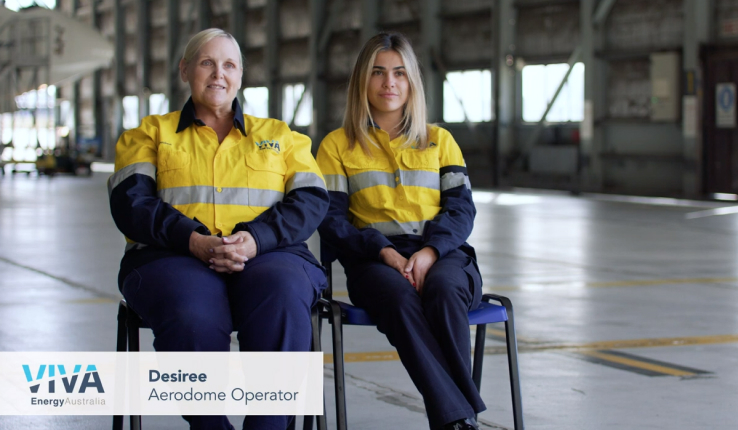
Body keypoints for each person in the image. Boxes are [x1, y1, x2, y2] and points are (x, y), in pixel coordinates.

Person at [108, 28, 328, 430]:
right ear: (185, 69)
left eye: (229, 65)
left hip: (269, 255)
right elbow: (131, 203)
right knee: (190, 313)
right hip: (171, 256)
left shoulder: (280, 136)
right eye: (207, 63)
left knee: (282, 296)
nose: (218, 74)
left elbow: (312, 201)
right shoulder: (149, 134)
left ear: (241, 75)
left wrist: (256, 240)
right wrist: (191, 240)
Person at [316, 32, 484, 430]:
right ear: (362, 80)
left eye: (399, 73)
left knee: (442, 290)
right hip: (373, 260)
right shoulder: (337, 146)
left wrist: (430, 252)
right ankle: (462, 417)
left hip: (441, 255)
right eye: (377, 73)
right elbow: (332, 221)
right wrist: (382, 251)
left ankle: (454, 419)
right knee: (398, 296)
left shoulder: (439, 141)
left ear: (411, 82)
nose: (389, 83)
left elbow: (461, 210)